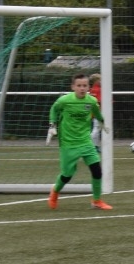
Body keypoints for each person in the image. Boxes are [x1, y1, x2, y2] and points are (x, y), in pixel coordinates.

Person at [47, 73, 112, 211]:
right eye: (79, 86)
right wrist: (52, 125)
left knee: (97, 170)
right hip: (68, 143)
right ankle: (55, 192)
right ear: (73, 87)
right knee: (67, 175)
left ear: (88, 87)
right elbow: (54, 109)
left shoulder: (91, 101)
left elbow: (97, 111)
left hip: (85, 142)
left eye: (85, 86)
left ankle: (96, 201)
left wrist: (102, 121)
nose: (82, 88)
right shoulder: (64, 100)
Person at [88, 73, 104, 148]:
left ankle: (96, 145)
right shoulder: (99, 90)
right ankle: (91, 145)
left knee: (97, 128)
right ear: (96, 81)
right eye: (100, 80)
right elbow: (99, 101)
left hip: (93, 112)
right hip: (99, 112)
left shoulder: (92, 90)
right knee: (96, 129)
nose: (101, 81)